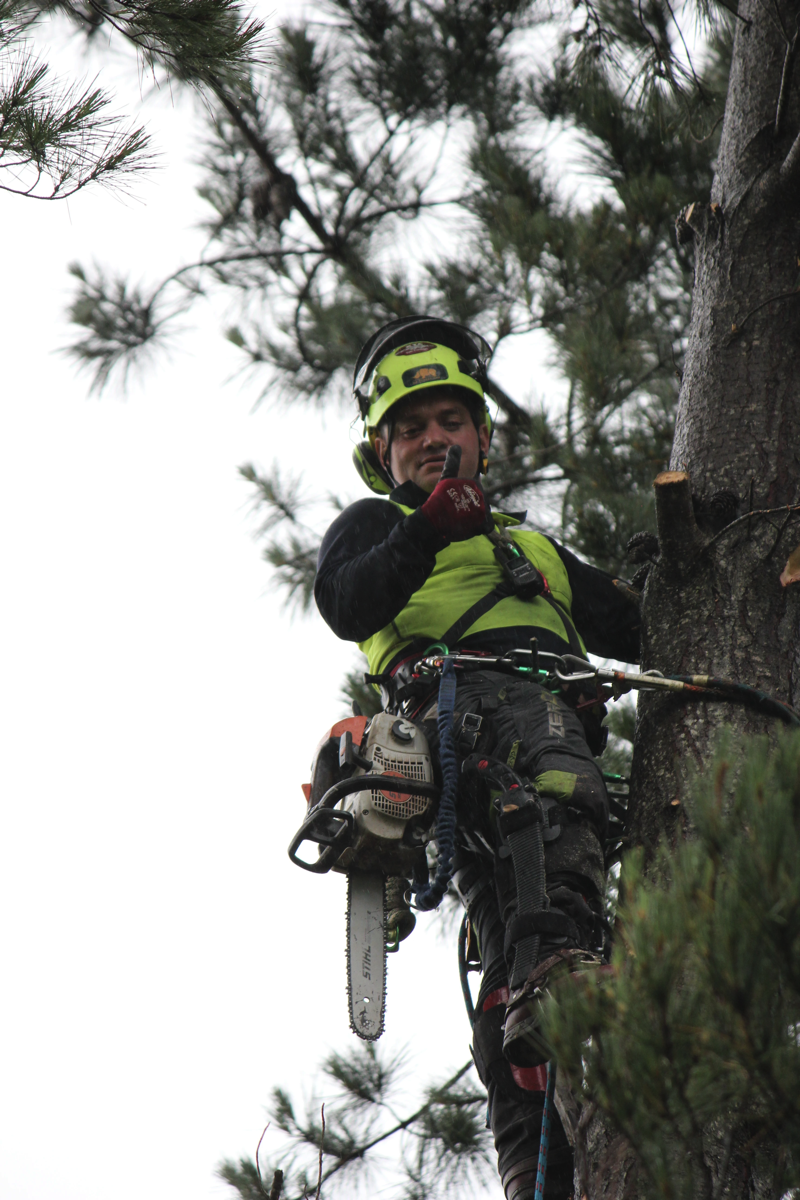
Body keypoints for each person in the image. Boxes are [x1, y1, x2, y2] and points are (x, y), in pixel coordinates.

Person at [314, 316, 640, 1200]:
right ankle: (552, 975)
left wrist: (665, 575)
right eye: (411, 429)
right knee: (556, 796)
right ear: (382, 453)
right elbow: (346, 603)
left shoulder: (531, 548)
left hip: (538, 722)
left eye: (450, 422)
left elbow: (632, 621)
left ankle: (536, 1153)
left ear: (482, 438)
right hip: (464, 710)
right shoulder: (376, 526)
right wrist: (421, 531)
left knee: (509, 905)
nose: (433, 440)